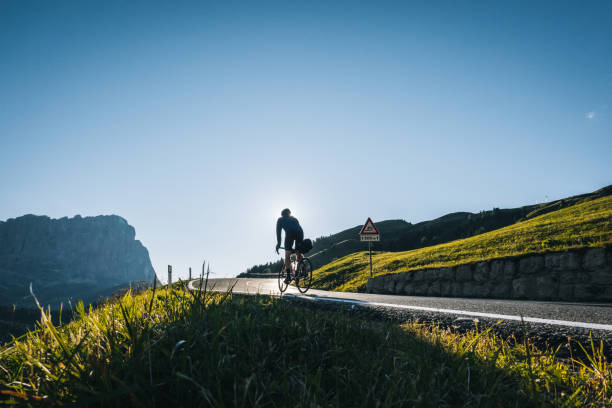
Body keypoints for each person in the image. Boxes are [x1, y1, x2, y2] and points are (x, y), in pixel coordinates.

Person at [275, 208, 304, 283]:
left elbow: (279, 233)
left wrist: (278, 244)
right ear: (289, 213)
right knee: (298, 252)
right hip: (300, 233)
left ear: (282, 214)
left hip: (290, 233)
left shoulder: (280, 219)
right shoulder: (294, 218)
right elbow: (298, 228)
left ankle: (288, 276)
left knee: (287, 255)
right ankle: (299, 273)